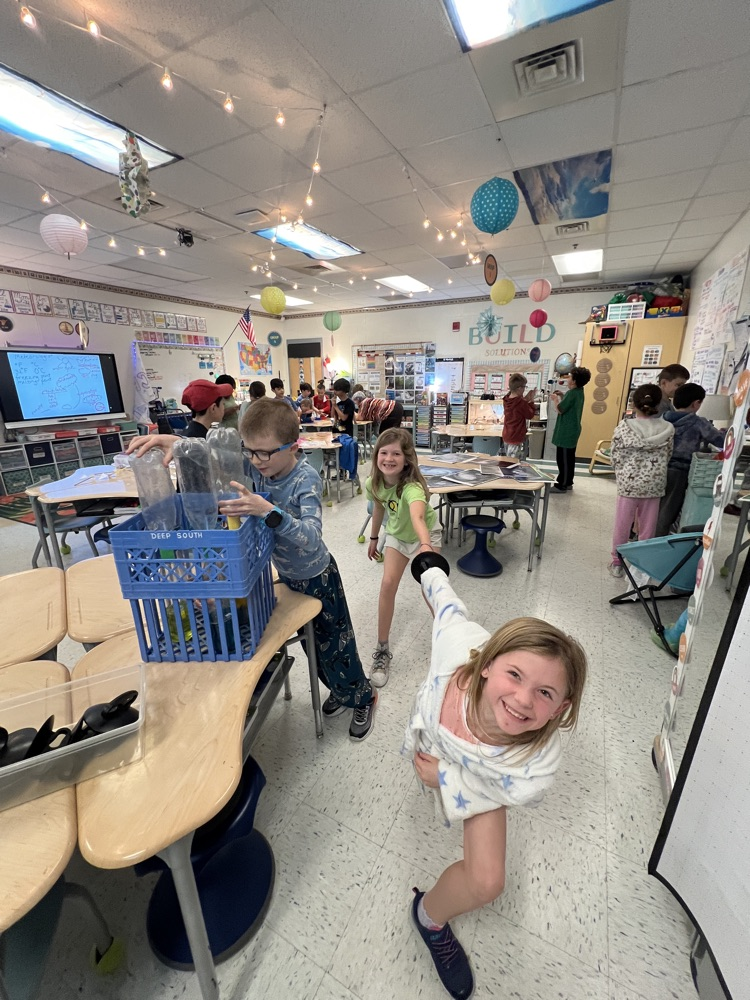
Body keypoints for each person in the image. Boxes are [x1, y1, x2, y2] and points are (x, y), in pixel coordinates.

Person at [127, 400, 377, 741]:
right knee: (313, 648)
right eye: (251, 452)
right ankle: (340, 689)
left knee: (336, 643)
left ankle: (362, 695)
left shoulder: (305, 479)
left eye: (264, 454)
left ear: (294, 446)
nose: (256, 462)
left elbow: (311, 536)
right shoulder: (262, 464)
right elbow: (218, 454)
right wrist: (172, 442)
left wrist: (268, 509)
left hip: (318, 575)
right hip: (287, 577)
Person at [404, 555, 587, 999]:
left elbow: (520, 791)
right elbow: (447, 607)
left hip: (478, 779)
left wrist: (447, 780)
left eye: (545, 693)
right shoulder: (457, 646)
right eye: (514, 675)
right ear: (485, 662)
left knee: (487, 881)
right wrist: (430, 570)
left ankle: (428, 917)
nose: (523, 700)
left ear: (561, 708)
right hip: (430, 742)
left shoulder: (536, 756)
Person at [365, 428, 441, 688]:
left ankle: (447, 642)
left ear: (407, 458)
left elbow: (419, 517)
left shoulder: (412, 488)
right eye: (384, 452)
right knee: (387, 585)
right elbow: (378, 506)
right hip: (397, 535)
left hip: (426, 536)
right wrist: (374, 538)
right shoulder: (373, 483)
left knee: (431, 590)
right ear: (376, 456)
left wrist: (425, 545)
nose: (388, 458)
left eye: (396, 453)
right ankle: (382, 649)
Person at [608, 384, 674, 578]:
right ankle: (642, 566)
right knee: (648, 527)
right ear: (659, 404)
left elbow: (615, 456)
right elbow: (668, 455)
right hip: (654, 484)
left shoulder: (624, 427)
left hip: (628, 485)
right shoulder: (668, 429)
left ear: (634, 404)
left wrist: (622, 472)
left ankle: (617, 563)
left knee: (622, 524)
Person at [655, 383, 725, 535]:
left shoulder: (663, 418)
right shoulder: (698, 422)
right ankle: (656, 541)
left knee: (652, 506)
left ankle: (643, 535)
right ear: (696, 403)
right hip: (679, 471)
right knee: (668, 510)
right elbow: (721, 440)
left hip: (656, 467)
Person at [551, 366, 591, 492]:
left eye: (570, 377)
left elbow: (560, 410)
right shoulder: (579, 391)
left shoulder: (572, 393)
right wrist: (563, 395)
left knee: (563, 459)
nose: (568, 379)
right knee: (569, 459)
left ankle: (561, 484)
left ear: (574, 381)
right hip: (572, 430)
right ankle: (568, 482)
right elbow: (570, 404)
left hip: (566, 431)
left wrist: (555, 400)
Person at [501, 374, 536, 459]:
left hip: (507, 435)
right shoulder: (520, 402)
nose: (524, 389)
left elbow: (517, 408)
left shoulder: (506, 399)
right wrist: (531, 401)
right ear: (519, 388)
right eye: (524, 387)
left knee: (509, 460)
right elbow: (530, 415)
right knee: (514, 464)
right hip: (516, 436)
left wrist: (525, 399)